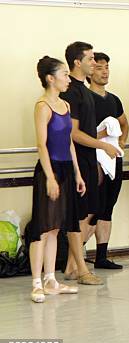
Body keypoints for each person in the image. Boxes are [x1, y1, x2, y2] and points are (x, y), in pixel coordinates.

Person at [60, 41, 118, 285]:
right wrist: (102, 145)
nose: (95, 63)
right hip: (76, 161)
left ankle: (74, 266)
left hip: (88, 159)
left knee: (88, 213)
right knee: (80, 214)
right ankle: (77, 267)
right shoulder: (71, 91)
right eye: (91, 59)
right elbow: (73, 133)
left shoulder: (84, 90)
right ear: (77, 62)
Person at [29, 56, 84, 302]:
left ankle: (51, 279)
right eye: (63, 74)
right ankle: (36, 283)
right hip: (48, 170)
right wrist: (50, 177)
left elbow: (69, 142)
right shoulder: (42, 106)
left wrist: (77, 173)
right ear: (50, 78)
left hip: (65, 169)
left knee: (55, 229)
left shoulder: (66, 105)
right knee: (42, 228)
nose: (68, 78)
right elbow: (42, 144)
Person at [87, 52, 128, 269]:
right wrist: (101, 137)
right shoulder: (84, 99)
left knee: (107, 207)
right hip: (93, 161)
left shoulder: (114, 99)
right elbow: (77, 134)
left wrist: (121, 143)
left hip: (113, 158)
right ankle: (75, 255)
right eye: (100, 67)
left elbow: (124, 124)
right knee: (91, 208)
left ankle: (101, 255)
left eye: (107, 67)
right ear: (90, 70)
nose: (105, 71)